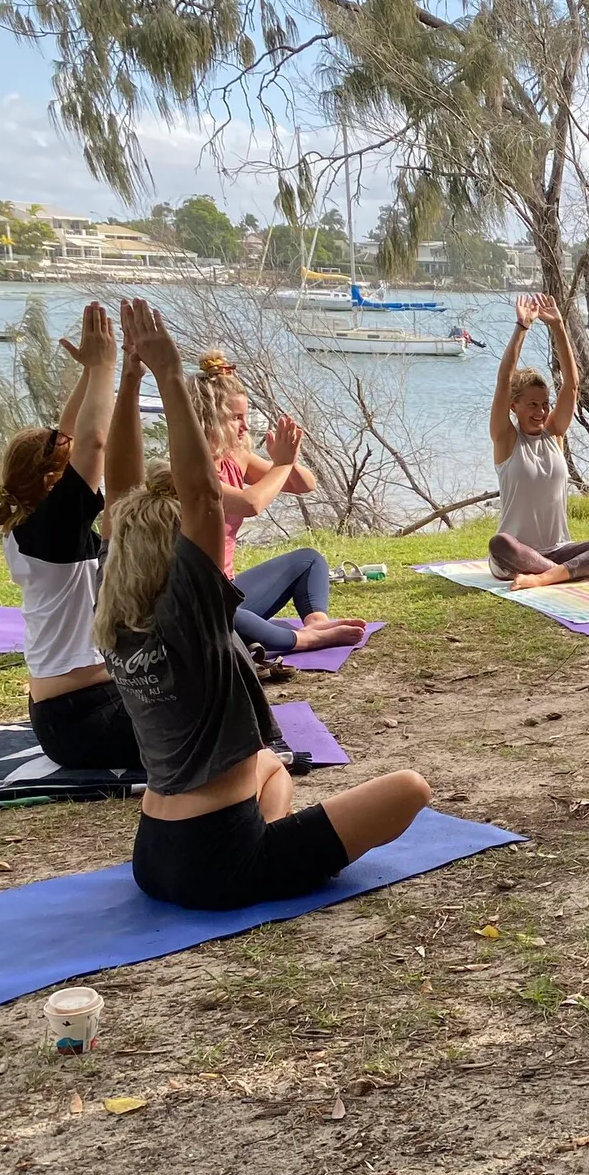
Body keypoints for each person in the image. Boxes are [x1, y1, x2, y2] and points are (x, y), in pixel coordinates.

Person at [96, 299, 431, 912]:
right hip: (214, 863)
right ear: (180, 553)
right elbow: (200, 496)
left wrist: (128, 379)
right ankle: (263, 864)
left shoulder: (118, 615)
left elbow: (119, 493)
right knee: (410, 789)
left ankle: (267, 848)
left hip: (155, 853)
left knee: (272, 768)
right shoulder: (189, 618)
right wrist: (168, 373)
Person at [0, 301, 140, 769]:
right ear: (53, 482)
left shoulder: (32, 525)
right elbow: (92, 444)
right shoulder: (51, 534)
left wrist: (91, 374)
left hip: (74, 707)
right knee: (215, 732)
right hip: (82, 718)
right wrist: (108, 366)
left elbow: (69, 436)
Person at [195, 350, 368, 657]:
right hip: (198, 602)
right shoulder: (189, 471)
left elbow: (305, 485)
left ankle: (316, 623)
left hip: (229, 590)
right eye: (236, 418)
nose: (245, 427)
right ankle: (304, 641)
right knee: (226, 617)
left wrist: (286, 462)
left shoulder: (237, 457)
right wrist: (281, 464)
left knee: (309, 560)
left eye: (245, 417)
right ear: (210, 420)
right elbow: (250, 503)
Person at [487, 294, 589, 589]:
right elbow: (503, 380)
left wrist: (559, 327)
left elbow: (573, 384)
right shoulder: (506, 439)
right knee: (500, 543)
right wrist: (522, 326)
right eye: (532, 405)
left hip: (559, 549)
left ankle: (549, 576)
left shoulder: (556, 436)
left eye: (544, 404)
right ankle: (576, 571)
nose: (541, 412)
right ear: (514, 406)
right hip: (516, 555)